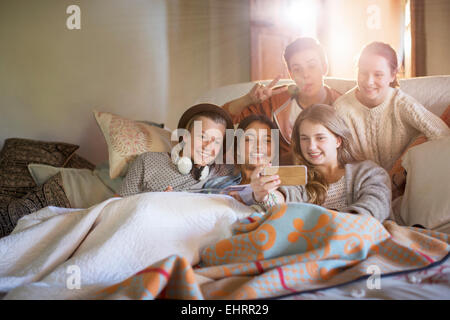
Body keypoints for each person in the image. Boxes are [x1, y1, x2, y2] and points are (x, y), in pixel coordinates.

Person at [250, 104, 392, 222]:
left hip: (357, 242)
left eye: (320, 138)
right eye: (305, 138)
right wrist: (264, 195)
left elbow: (374, 208)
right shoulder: (299, 176)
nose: (311, 146)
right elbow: (284, 199)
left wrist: (328, 226)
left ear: (338, 140)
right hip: (311, 246)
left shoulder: (370, 172)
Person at [334, 41, 450, 172]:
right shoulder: (341, 108)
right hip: (360, 184)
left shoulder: (401, 104)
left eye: (378, 74)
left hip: (400, 184)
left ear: (392, 75)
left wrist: (408, 167)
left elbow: (442, 134)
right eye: (363, 73)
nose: (369, 81)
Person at [222, 37, 341, 164]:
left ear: (324, 67)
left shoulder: (342, 105)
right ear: (291, 74)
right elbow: (221, 120)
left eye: (311, 66)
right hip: (283, 176)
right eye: (297, 69)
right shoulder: (274, 100)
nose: (305, 75)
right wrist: (248, 100)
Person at [118, 103, 235, 197]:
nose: (208, 146)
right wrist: (153, 201)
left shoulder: (221, 172)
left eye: (217, 141)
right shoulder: (148, 161)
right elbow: (116, 205)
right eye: (203, 137)